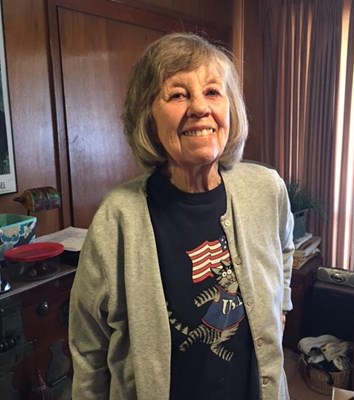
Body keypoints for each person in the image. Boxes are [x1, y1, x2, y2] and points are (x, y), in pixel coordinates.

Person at [69, 32, 294, 400]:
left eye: (212, 92)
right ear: (148, 118)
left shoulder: (266, 189)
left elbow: (284, 248)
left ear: (230, 109)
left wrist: (281, 305)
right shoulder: (118, 217)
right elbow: (88, 345)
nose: (200, 108)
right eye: (177, 95)